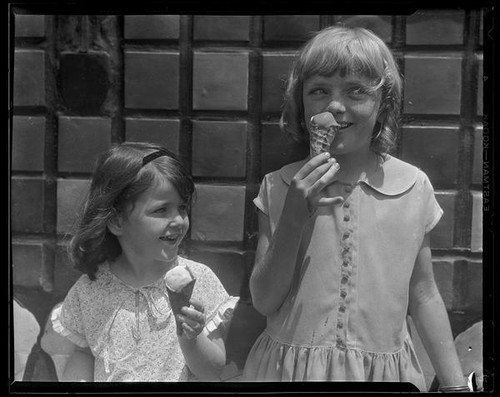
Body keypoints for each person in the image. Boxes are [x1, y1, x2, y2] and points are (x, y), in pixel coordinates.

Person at [242, 25, 469, 392]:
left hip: (382, 376)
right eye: (319, 90)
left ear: (385, 106)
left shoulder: (413, 187)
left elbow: (424, 294)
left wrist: (456, 385)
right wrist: (294, 219)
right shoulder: (279, 186)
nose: (335, 105)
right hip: (289, 372)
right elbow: (265, 299)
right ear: (301, 105)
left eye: (356, 91)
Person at [48, 142, 238, 382]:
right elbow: (85, 353)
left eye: (182, 208)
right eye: (161, 210)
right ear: (116, 221)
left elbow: (213, 370)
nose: (178, 220)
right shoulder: (91, 289)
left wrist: (192, 338)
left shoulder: (199, 280)